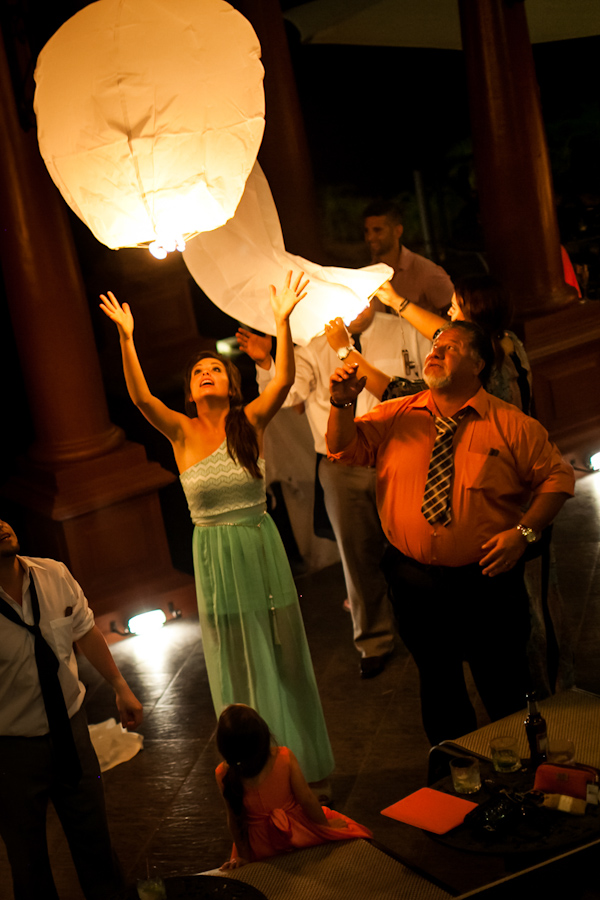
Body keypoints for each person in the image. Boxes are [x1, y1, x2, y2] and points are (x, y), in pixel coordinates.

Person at [100, 274, 334, 787]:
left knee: (278, 647)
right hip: (215, 554)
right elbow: (139, 398)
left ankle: (298, 760)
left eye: (216, 369)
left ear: (231, 385)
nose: (207, 373)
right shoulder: (180, 431)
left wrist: (281, 322)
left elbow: (283, 381)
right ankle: (254, 767)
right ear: (190, 391)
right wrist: (126, 337)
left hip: (258, 544)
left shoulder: (250, 420)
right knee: (233, 652)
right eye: (199, 372)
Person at [326, 322, 574, 746]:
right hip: (415, 579)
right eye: (435, 345)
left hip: (486, 581)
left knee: (502, 687)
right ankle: (454, 777)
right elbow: (342, 447)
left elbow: (557, 479)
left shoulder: (510, 424)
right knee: (438, 685)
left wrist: (523, 533)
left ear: (478, 364)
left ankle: (520, 775)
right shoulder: (398, 414)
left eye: (452, 347)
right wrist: (341, 403)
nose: (436, 352)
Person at [237, 298, 431, 679]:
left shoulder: (402, 329)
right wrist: (265, 362)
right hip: (341, 464)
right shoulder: (313, 343)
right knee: (357, 555)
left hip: (401, 456)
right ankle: (373, 640)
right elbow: (289, 395)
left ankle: (430, 629)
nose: (352, 305)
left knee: (418, 547)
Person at [0, 518, 143, 900]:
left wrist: (120, 686)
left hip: (71, 729)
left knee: (95, 842)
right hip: (12, 749)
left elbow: (86, 632)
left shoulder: (53, 574)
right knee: (28, 863)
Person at [215, 704, 372, 869]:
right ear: (264, 736)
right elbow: (306, 799)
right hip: (295, 832)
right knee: (355, 830)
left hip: (258, 847)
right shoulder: (283, 757)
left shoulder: (222, 774)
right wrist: (325, 826)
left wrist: (243, 856)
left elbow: (234, 819)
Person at [375, 274, 532, 412]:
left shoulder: (472, 361)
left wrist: (350, 353)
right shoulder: (507, 339)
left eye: (454, 308)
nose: (449, 312)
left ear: (472, 316)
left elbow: (399, 393)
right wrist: (396, 301)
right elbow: (441, 330)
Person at [363, 200, 454, 312]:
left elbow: (454, 316)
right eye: (367, 231)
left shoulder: (426, 272)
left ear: (397, 231)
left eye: (378, 230)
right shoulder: (367, 274)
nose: (370, 237)